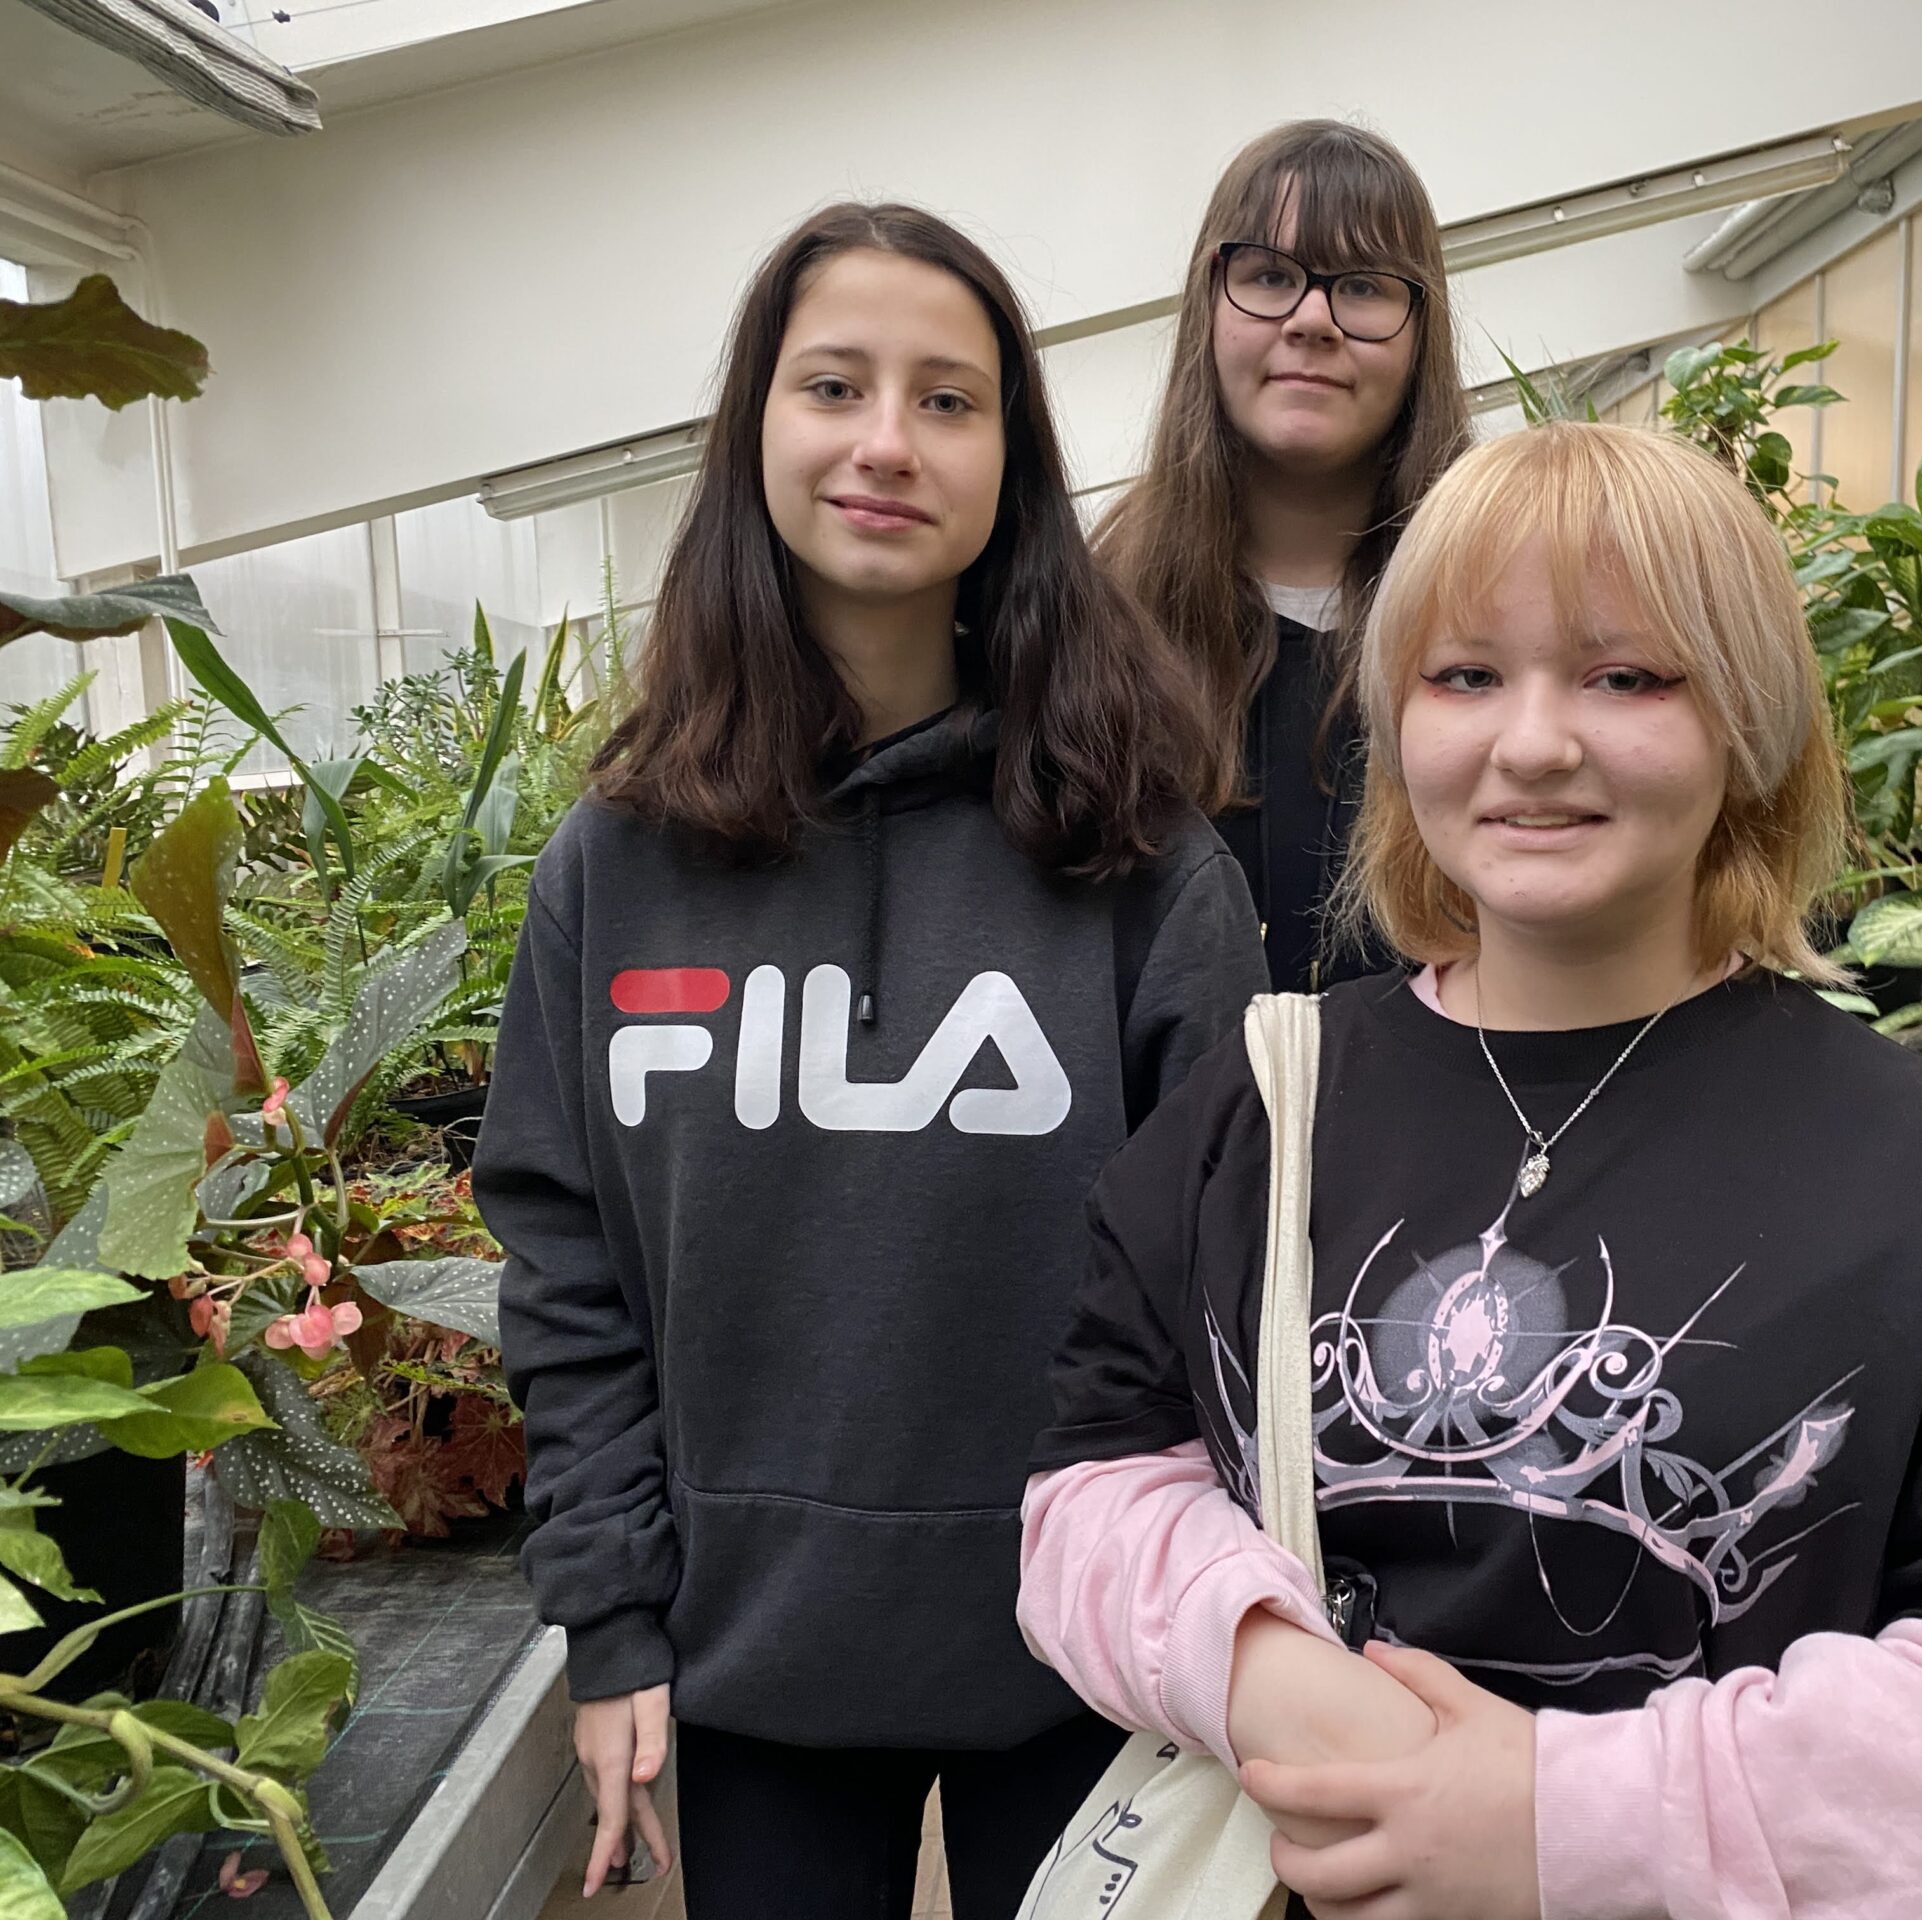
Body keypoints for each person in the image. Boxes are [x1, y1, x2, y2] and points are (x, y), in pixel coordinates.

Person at [1020, 421, 1922, 1920]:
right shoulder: (1268, 1102)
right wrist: (1274, 1679)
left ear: (1750, 723)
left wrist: (1567, 1821)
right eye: (1466, 675)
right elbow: (1095, 1479)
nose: (1534, 743)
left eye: (1627, 677)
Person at [479, 202, 1266, 1918]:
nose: (887, 443)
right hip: (754, 1663)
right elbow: (568, 1266)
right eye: (835, 385)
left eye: (948, 399)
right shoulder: (618, 861)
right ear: (756, 427)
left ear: (1012, 460)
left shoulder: (1139, 861)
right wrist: (609, 1618)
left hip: (1087, 1657)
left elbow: (1229, 1286)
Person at [1098, 119, 1472, 991]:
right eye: (1269, 276)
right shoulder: (1100, 613)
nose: (1311, 320)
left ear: (1422, 328)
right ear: (1210, 304)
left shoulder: (1497, 601)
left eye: (1364, 286)